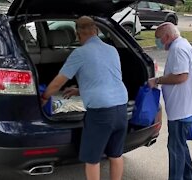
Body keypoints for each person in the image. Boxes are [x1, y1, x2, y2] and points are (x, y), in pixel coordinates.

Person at [41, 16, 128, 180]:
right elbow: (106, 79)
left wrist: (44, 97)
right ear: (96, 30)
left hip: (101, 113)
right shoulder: (112, 50)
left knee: (92, 159)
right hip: (122, 108)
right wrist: (80, 90)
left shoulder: (80, 53)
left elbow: (58, 82)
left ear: (77, 33)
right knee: (116, 155)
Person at [148, 22, 192, 180]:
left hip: (182, 110)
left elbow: (181, 76)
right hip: (185, 108)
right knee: (179, 146)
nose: (157, 42)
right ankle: (191, 177)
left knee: (175, 149)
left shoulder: (178, 49)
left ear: (166, 37)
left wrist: (157, 80)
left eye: (158, 39)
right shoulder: (183, 45)